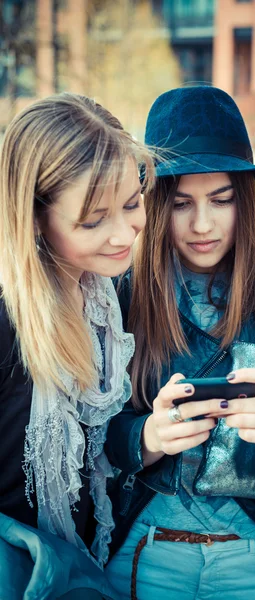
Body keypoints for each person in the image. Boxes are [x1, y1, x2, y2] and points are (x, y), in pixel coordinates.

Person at [105, 86, 255, 600]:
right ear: (156, 203)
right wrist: (146, 438)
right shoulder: (121, 291)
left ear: (245, 197)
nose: (202, 224)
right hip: (143, 545)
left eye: (221, 200)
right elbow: (84, 437)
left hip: (253, 551)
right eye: (182, 202)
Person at [0, 92, 154, 599]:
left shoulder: (103, 295)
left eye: (133, 203)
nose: (124, 233)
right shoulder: (6, 318)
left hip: (88, 573)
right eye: (93, 221)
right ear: (35, 219)